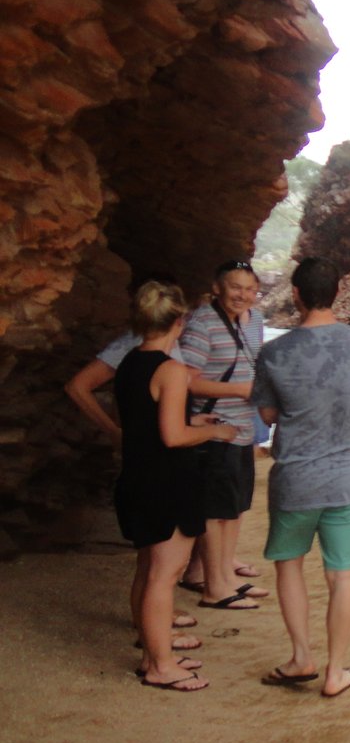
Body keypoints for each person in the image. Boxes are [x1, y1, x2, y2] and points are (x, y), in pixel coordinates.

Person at [252, 257, 350, 698]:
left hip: (296, 479)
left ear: (298, 295)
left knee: (290, 566)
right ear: (337, 293)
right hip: (348, 478)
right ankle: (336, 671)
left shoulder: (273, 352)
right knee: (342, 575)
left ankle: (301, 656)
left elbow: (266, 414)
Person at [64, 274, 202, 647]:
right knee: (161, 567)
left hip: (145, 467)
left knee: (151, 562)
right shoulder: (139, 353)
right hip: (159, 469)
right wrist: (116, 432)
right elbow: (79, 386)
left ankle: (154, 625)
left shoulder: (137, 359)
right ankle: (156, 647)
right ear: (178, 319)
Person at [114, 280, 237, 691]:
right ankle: (160, 667)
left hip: (137, 477)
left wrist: (193, 422)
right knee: (164, 576)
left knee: (148, 569)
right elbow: (172, 437)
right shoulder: (170, 370)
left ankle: (154, 652)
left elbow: (148, 423)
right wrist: (213, 433)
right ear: (180, 322)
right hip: (166, 483)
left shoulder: (131, 362)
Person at [179, 259, 269, 610]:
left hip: (243, 428)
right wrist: (240, 391)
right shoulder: (203, 322)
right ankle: (213, 585)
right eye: (235, 288)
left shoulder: (254, 320)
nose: (242, 296)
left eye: (249, 290)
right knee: (215, 511)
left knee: (234, 507)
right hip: (215, 429)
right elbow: (185, 379)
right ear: (217, 288)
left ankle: (226, 577)